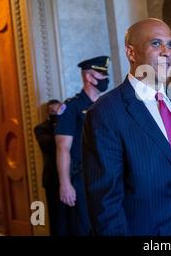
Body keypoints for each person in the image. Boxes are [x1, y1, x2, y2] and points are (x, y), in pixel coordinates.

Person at [82, 18, 171, 236]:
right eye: (156, 43)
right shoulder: (105, 113)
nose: (166, 52)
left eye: (170, 45)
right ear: (131, 53)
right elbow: (105, 201)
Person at [55, 56, 110, 235]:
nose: (106, 78)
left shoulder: (105, 105)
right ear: (89, 77)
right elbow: (63, 147)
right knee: (85, 227)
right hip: (83, 177)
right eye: (102, 74)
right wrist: (65, 183)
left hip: (107, 174)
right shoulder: (71, 107)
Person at [34, 99, 65, 236]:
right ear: (48, 112)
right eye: (52, 112)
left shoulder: (67, 125)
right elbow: (52, 145)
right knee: (56, 217)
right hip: (52, 179)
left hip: (70, 177)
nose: (55, 114)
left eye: (57, 111)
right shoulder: (41, 128)